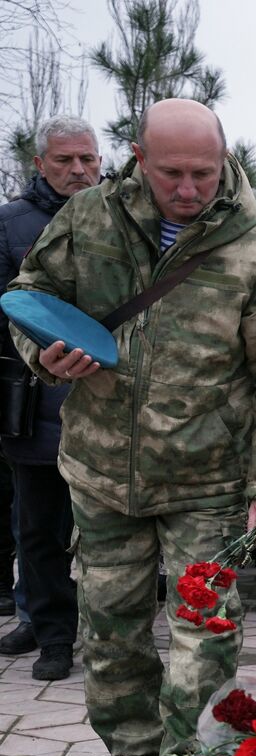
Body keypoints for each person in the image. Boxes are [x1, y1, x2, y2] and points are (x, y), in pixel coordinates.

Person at [7, 98, 256, 756]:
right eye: (171, 172)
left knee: (204, 628)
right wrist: (42, 352)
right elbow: (30, 295)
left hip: (209, 480)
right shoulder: (87, 219)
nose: (187, 188)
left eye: (202, 174)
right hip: (101, 470)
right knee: (110, 627)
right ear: (138, 158)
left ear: (223, 161)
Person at [0, 116, 101, 679]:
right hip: (34, 401)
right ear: (41, 164)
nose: (78, 170)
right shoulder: (11, 225)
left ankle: (88, 623)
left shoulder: (120, 221)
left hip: (105, 406)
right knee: (36, 527)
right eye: (64, 161)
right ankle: (52, 632)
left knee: (96, 529)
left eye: (87, 159)